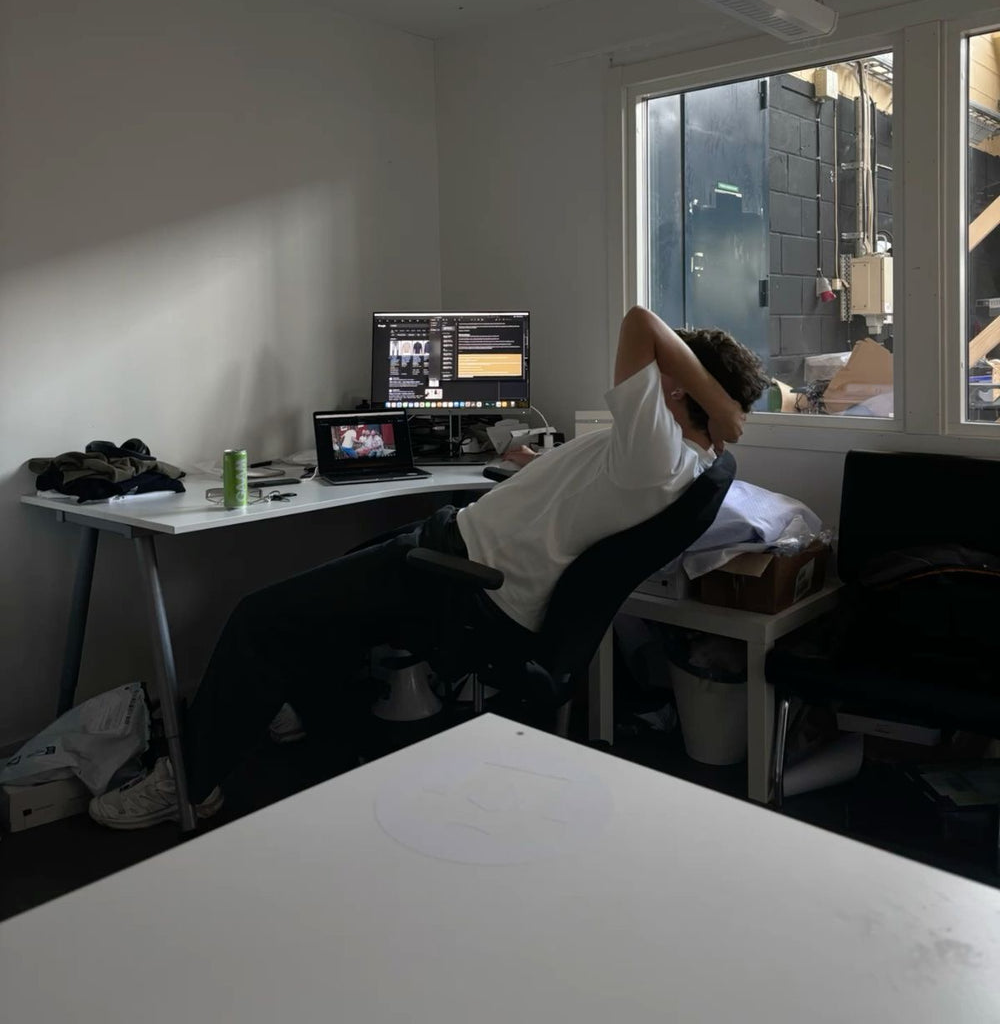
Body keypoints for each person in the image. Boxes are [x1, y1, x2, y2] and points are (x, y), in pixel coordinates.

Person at [89, 308, 768, 828]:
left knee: (257, 617)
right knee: (325, 590)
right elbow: (587, 492)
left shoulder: (659, 450)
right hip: (458, 551)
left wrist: (717, 401)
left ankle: (190, 783)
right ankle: (285, 711)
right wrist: (537, 468)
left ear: (682, 388)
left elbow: (640, 321)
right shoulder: (681, 459)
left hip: (463, 579)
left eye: (674, 373)